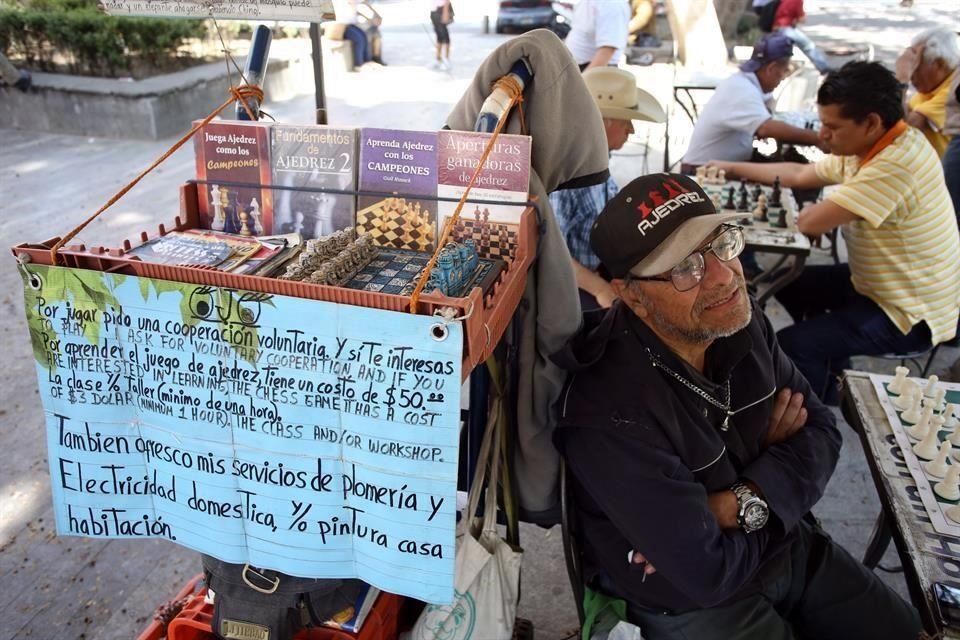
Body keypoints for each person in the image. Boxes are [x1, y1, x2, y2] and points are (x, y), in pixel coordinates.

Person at [553, 172, 922, 639]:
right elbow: (705, 570)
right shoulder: (609, 409)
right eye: (686, 267)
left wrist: (733, 503)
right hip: (694, 602)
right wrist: (773, 476)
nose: (725, 275)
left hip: (790, 551)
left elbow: (824, 435)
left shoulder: (738, 324)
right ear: (632, 295)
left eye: (722, 243)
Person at [709, 61, 960, 404]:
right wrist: (729, 167)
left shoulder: (896, 164)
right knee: (792, 285)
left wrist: (812, 214)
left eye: (832, 126)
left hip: (911, 312)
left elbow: (810, 223)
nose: (822, 134)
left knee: (795, 345)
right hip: (882, 284)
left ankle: (820, 413)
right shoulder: (874, 145)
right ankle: (831, 368)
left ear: (870, 122)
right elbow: (800, 174)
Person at [549, 67, 665, 310]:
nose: (631, 129)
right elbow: (551, 252)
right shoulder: (570, 174)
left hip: (601, 270)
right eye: (626, 120)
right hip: (573, 289)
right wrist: (600, 288)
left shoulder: (598, 159)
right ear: (600, 122)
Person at [681, 33, 823, 172]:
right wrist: (817, 139)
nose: (783, 78)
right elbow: (766, 128)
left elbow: (766, 110)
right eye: (784, 71)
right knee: (792, 176)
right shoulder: (742, 89)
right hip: (703, 171)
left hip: (723, 165)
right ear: (771, 69)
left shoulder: (746, 82)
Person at [895, 26, 960, 158]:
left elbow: (902, 131)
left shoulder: (952, 91)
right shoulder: (932, 86)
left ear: (940, 64)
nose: (911, 74)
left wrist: (902, 78)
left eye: (915, 66)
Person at [564, 0, 631, 71]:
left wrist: (583, 80)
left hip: (593, 68)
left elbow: (607, 49)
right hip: (578, 67)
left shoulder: (612, 3)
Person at [770, 0, 830, 73]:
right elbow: (802, 19)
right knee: (809, 46)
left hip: (776, 27)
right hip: (785, 29)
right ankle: (824, 68)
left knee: (784, 50)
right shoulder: (797, 1)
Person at [429, 0, 453, 71]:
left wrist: (445, 12)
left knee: (445, 37)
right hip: (434, 11)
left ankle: (446, 60)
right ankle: (438, 59)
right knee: (439, 37)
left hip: (441, 10)